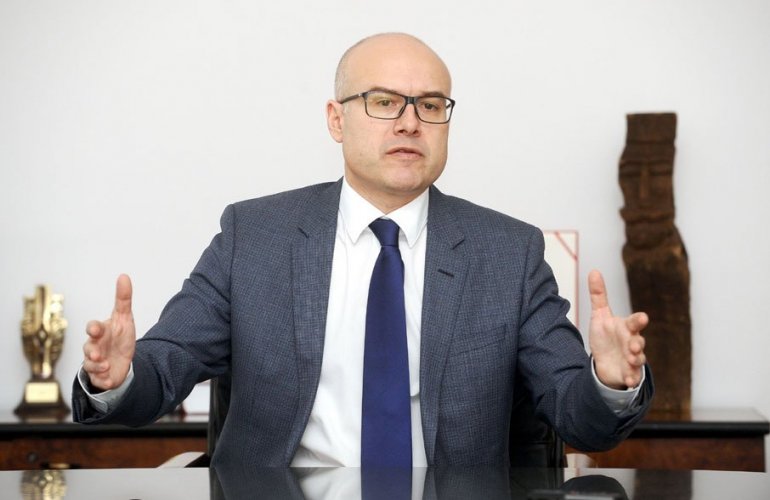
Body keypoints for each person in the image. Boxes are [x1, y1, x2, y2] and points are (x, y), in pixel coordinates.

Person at [73, 33, 652, 468]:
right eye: (383, 101)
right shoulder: (255, 237)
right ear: (336, 119)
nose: (410, 123)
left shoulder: (509, 253)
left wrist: (610, 382)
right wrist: (116, 377)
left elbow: (580, 416)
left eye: (430, 105)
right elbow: (162, 371)